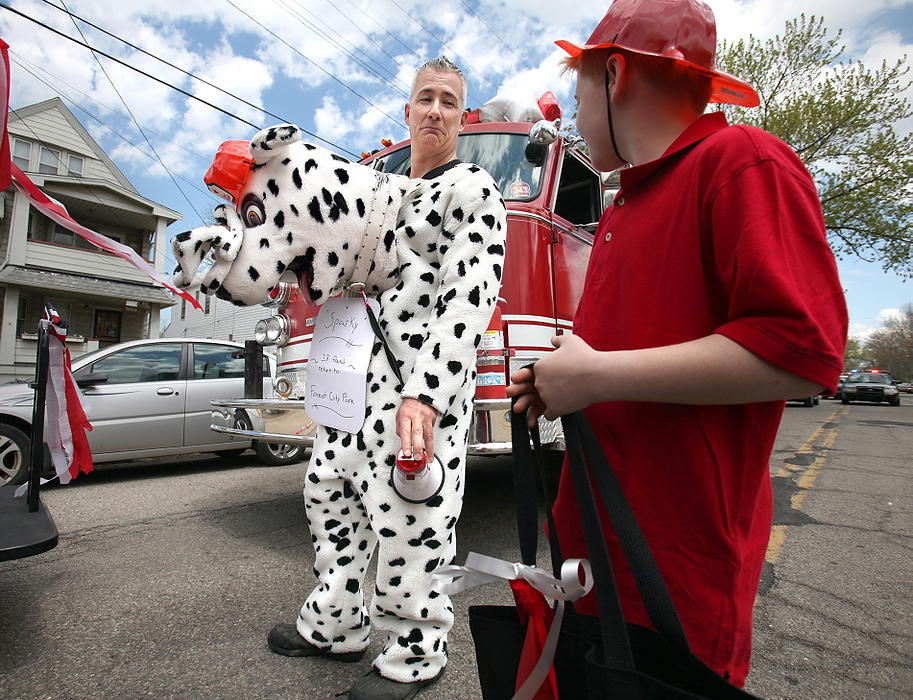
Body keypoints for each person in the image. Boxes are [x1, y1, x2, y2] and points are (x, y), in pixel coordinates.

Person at [507, 0, 847, 688]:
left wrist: (598, 375)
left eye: (577, 93)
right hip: (600, 561)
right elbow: (625, 364)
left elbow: (801, 353)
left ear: (614, 73)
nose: (572, 115)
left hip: (676, 577)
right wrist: (562, 383)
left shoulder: (741, 160)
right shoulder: (621, 206)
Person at [268, 56, 507, 700]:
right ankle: (336, 623)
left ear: (462, 117)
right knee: (331, 498)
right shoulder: (377, 189)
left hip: (414, 391)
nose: (434, 109)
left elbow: (469, 301)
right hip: (351, 386)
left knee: (410, 520)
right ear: (406, 110)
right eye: (424, 98)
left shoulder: (475, 192)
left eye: (448, 101)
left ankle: (413, 652)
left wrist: (424, 395)